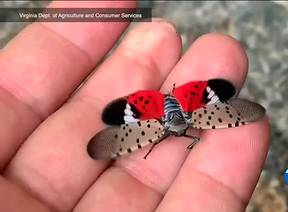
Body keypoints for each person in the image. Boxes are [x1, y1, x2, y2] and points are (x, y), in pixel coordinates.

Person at [0, 2, 270, 211]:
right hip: (177, 105)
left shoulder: (176, 125)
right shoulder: (186, 122)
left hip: (169, 108)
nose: (177, 134)